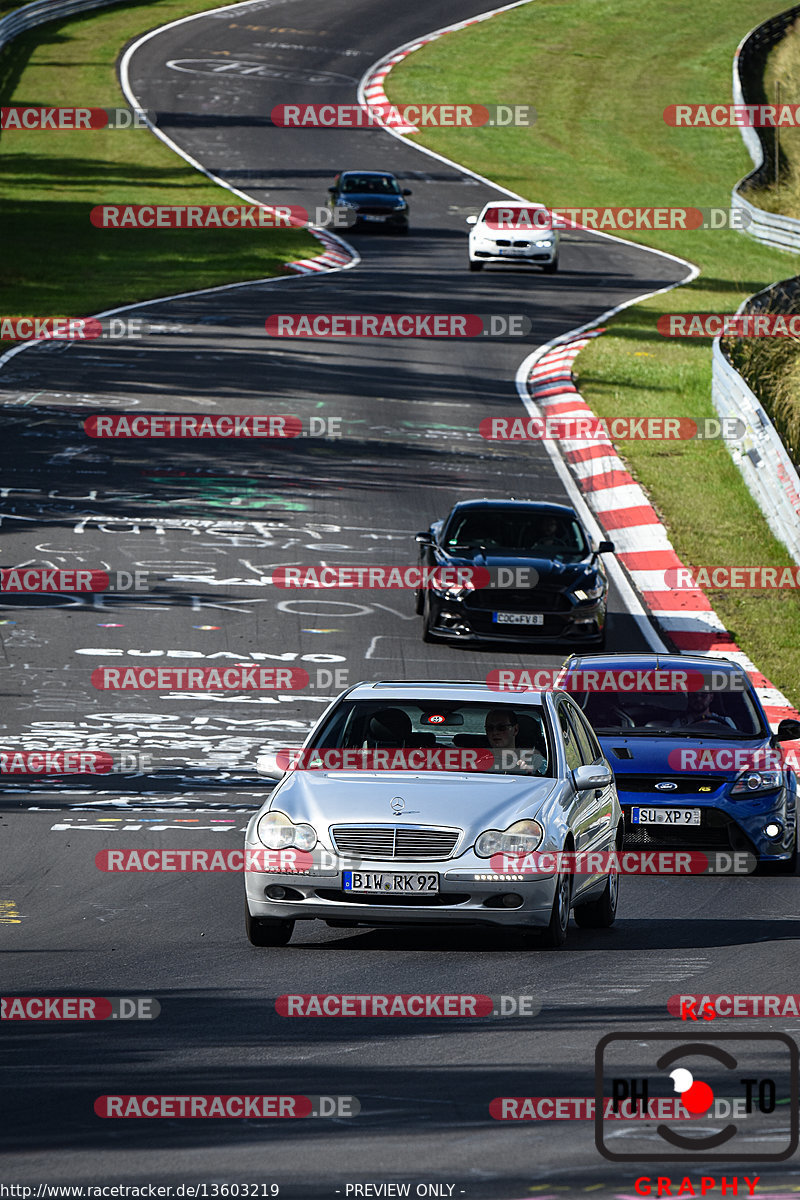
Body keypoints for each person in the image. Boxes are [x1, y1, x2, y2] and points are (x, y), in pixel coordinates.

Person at [484, 708, 546, 773]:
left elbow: (549, 779)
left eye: (502, 727)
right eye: (489, 728)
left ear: (515, 730)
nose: (495, 732)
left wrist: (530, 773)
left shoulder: (534, 760)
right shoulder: (479, 763)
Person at [671, 691, 736, 729]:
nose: (698, 699)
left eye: (703, 695)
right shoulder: (679, 724)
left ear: (711, 697)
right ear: (689, 697)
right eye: (694, 695)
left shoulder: (725, 722)